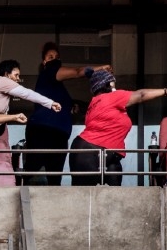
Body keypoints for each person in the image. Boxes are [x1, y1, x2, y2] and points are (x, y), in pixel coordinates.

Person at [24, 42, 112, 186]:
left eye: (57, 57)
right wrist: (100, 69)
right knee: (33, 167)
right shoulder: (49, 72)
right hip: (44, 130)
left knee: (54, 175)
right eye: (50, 57)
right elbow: (77, 72)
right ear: (44, 61)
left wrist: (72, 107)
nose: (55, 59)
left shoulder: (56, 87)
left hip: (58, 133)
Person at [69, 69, 167, 186]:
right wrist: (165, 91)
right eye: (113, 83)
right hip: (89, 152)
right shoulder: (112, 97)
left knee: (115, 196)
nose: (115, 86)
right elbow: (141, 95)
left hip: (103, 153)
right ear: (108, 84)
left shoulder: (94, 102)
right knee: (86, 197)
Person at [0, 59, 61, 160]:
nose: (18, 79)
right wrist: (50, 103)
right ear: (7, 74)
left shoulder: (0, 88)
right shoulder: (2, 80)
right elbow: (27, 93)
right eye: (16, 75)